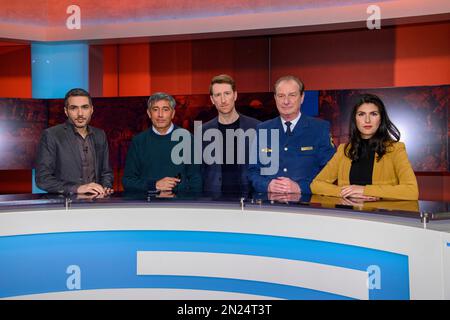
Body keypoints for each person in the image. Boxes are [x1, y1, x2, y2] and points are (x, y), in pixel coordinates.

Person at [310, 93, 419, 200]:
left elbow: (412, 191)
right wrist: (347, 192)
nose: (367, 120)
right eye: (361, 114)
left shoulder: (395, 149)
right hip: (348, 216)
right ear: (355, 119)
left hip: (380, 216)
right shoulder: (344, 150)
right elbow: (316, 184)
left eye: (373, 114)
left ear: (381, 119)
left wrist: (364, 190)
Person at [248, 75, 335, 194]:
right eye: (281, 96)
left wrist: (301, 187)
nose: (286, 101)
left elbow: (329, 173)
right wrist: (267, 185)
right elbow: (252, 171)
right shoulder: (263, 129)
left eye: (292, 95)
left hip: (306, 206)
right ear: (275, 98)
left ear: (302, 97)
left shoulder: (319, 129)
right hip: (269, 206)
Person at [35, 88, 113, 194]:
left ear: (92, 109)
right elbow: (42, 179)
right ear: (66, 111)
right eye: (74, 108)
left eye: (85, 107)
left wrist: (105, 186)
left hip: (96, 203)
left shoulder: (100, 134)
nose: (80, 113)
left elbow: (106, 172)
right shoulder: (51, 135)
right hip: (65, 205)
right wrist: (76, 189)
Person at [122, 92, 202, 193]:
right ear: (149, 113)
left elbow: (196, 181)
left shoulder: (187, 139)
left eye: (165, 109)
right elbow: (128, 181)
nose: (160, 115)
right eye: (155, 109)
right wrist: (154, 185)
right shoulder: (138, 142)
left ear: (173, 113)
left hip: (179, 205)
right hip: (147, 205)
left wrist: (176, 192)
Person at [202, 74, 260, 194]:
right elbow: (200, 172)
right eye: (218, 95)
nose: (223, 100)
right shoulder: (202, 132)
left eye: (227, 93)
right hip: (214, 202)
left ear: (235, 95)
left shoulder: (256, 128)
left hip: (249, 201)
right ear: (212, 100)